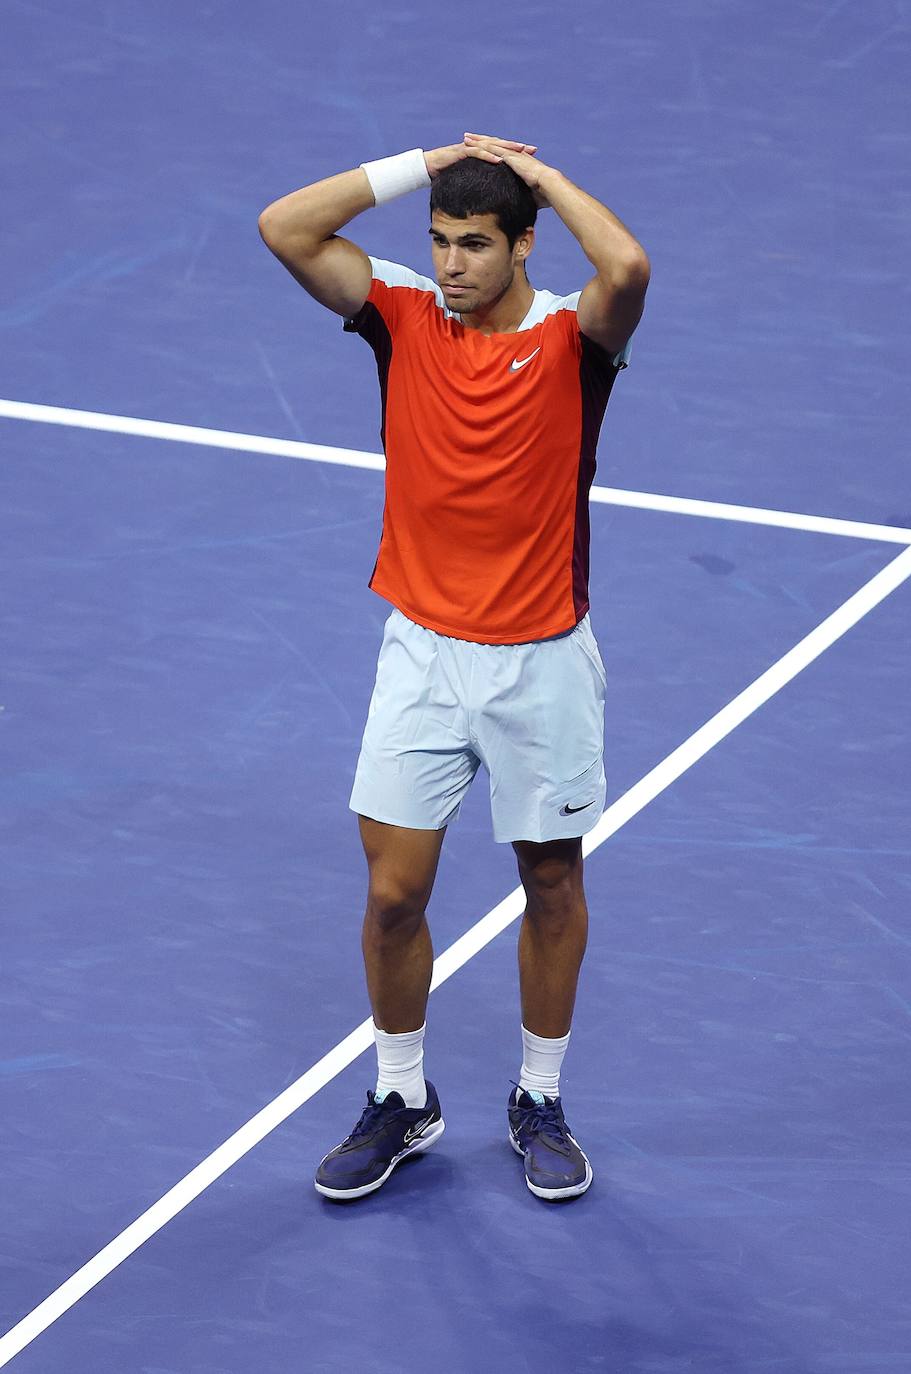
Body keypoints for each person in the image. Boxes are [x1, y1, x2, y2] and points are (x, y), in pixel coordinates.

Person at [258, 132, 649, 1202]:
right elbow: (284, 227)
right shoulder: (399, 314)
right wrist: (428, 162)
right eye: (438, 242)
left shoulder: (578, 340)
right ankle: (401, 1097)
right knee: (393, 896)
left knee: (552, 881)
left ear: (525, 244)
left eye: (475, 243)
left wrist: (552, 179)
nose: (451, 265)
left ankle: (538, 1098)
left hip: (543, 667)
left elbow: (629, 270)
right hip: (422, 657)